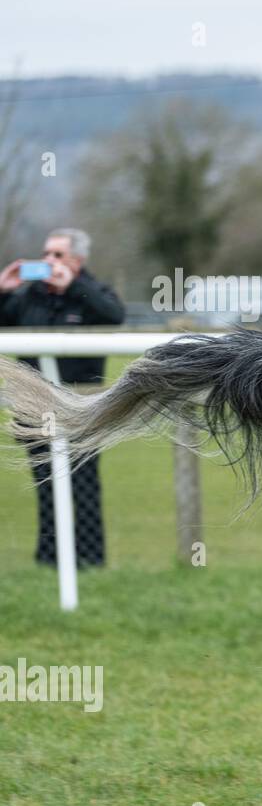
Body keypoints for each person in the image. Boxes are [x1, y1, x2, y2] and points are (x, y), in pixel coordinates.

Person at [0, 227, 125, 567]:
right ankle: (49, 559)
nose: (49, 261)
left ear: (78, 260)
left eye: (58, 255)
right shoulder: (29, 296)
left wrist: (73, 285)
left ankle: (90, 560)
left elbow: (114, 316)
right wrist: (2, 290)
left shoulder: (92, 292)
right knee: (45, 484)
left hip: (81, 408)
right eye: (46, 254)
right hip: (34, 407)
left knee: (82, 484)